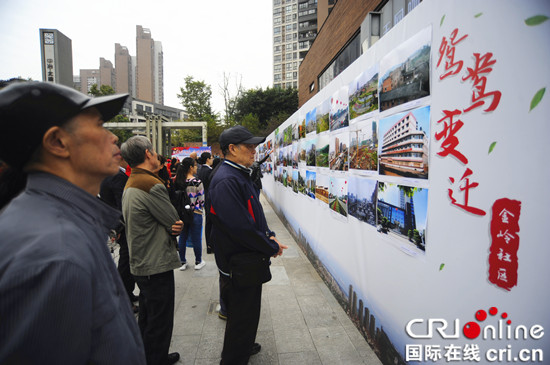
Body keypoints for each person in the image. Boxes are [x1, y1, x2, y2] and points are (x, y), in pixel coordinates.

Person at [0, 81, 145, 364]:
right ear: (57, 142)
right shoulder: (57, 254)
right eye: (100, 125)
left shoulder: (64, 222)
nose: (113, 137)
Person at [208, 125, 288, 364]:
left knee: (247, 314)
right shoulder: (226, 180)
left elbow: (252, 215)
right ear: (232, 149)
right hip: (239, 261)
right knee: (242, 317)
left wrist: (268, 234)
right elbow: (240, 227)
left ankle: (243, 347)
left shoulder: (238, 174)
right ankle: (234, 357)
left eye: (255, 146)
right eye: (249, 146)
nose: (255, 151)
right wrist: (270, 246)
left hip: (245, 259)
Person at [121, 136, 183, 365]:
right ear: (148, 154)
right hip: (155, 264)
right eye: (154, 151)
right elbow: (173, 220)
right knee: (160, 320)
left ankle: (148, 357)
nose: (157, 155)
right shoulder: (151, 184)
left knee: (148, 316)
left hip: (141, 262)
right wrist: (178, 225)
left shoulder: (133, 181)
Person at [99, 151, 139, 312]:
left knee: (126, 260)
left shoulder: (114, 174)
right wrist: (120, 227)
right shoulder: (116, 176)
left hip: (120, 225)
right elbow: (121, 205)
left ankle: (127, 294)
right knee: (125, 262)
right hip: (123, 226)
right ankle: (123, 297)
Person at [174, 157, 206, 270]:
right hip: (195, 213)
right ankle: (198, 261)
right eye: (195, 165)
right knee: (197, 238)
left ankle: (182, 262)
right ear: (191, 167)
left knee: (182, 237)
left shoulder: (178, 181)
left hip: (182, 214)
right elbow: (201, 200)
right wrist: (197, 209)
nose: (196, 167)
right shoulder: (197, 182)